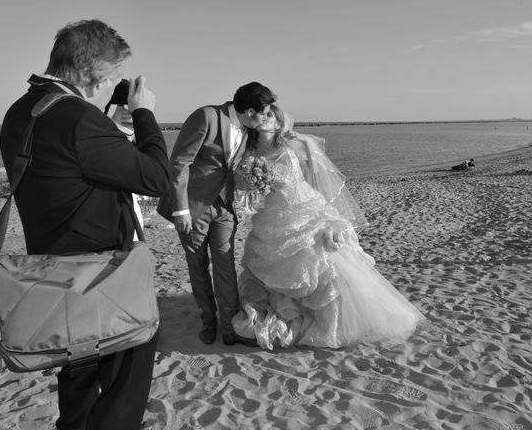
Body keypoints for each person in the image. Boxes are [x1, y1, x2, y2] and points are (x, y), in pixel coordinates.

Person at [0, 19, 170, 430]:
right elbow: (156, 177)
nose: (115, 87)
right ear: (95, 76)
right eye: (112, 80)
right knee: (124, 382)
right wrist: (143, 111)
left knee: (77, 379)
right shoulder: (78, 120)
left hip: (57, 271)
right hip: (103, 279)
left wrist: (106, 116)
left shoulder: (23, 111)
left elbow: (73, 166)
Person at [230, 105, 425, 350]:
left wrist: (325, 214)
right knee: (265, 266)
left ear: (280, 124)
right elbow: (239, 182)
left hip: (306, 208)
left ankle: (330, 323)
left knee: (323, 264)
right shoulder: (249, 153)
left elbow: (317, 176)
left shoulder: (295, 144)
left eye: (271, 115)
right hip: (272, 216)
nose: (265, 118)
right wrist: (252, 181)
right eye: (263, 114)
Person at [156, 82, 274, 347]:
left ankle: (230, 326)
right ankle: (208, 321)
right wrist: (181, 210)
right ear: (250, 110)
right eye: (263, 113)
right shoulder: (207, 116)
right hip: (192, 206)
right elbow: (179, 163)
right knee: (198, 267)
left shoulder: (247, 129)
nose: (265, 118)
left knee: (225, 266)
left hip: (224, 208)